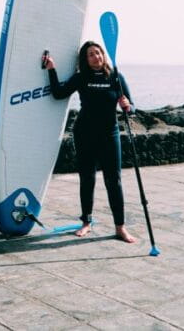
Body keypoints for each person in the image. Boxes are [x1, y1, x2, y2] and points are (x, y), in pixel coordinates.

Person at [43, 41, 137, 243]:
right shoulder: (81, 77)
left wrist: (127, 106)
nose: (96, 57)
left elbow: (131, 106)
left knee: (114, 181)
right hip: (84, 134)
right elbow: (59, 93)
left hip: (109, 134)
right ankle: (86, 222)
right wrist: (52, 70)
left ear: (103, 54)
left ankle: (120, 227)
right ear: (85, 60)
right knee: (87, 178)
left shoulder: (116, 77)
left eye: (98, 52)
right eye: (90, 54)